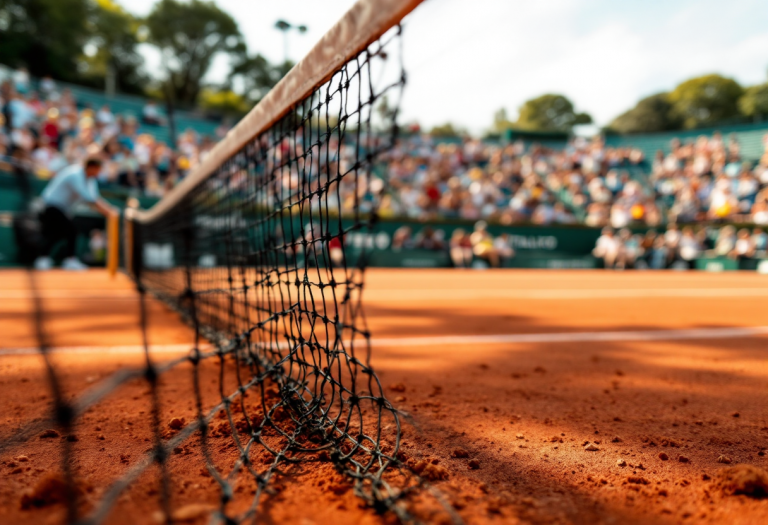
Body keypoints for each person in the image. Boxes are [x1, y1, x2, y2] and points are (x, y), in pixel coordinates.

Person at [34, 157, 119, 270]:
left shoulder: (90, 180)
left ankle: (44, 259)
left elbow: (95, 198)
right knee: (71, 230)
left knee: (58, 233)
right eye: (98, 169)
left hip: (62, 209)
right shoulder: (75, 174)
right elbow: (90, 199)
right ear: (91, 167)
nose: (99, 173)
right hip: (50, 206)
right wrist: (110, 212)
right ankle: (68, 260)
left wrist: (109, 211)